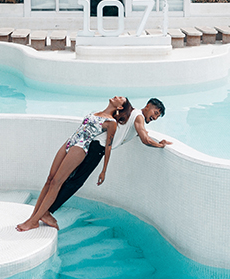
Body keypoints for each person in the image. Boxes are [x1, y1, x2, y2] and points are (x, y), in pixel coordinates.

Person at [43, 98, 171, 228]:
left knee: (68, 178)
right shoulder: (138, 117)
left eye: (158, 116)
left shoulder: (132, 114)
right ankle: (47, 212)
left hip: (93, 144)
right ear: (147, 106)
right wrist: (160, 145)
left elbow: (134, 131)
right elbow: (145, 139)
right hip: (97, 148)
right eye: (155, 113)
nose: (155, 117)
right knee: (76, 181)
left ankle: (44, 209)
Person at [16, 96, 133, 232]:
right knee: (49, 179)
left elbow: (108, 146)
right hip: (70, 141)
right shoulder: (96, 112)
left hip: (80, 147)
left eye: (120, 98)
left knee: (56, 182)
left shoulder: (111, 122)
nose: (116, 96)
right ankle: (32, 218)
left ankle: (34, 221)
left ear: (120, 107)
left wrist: (104, 170)